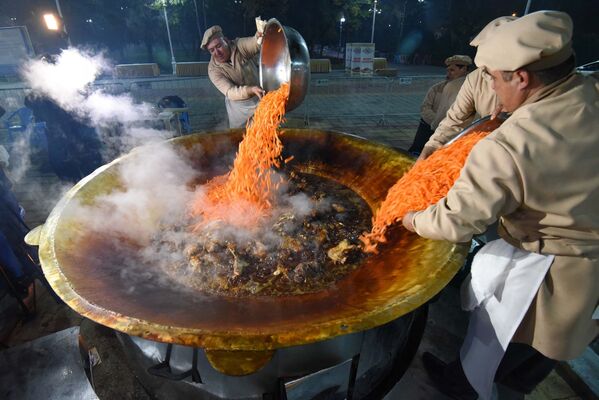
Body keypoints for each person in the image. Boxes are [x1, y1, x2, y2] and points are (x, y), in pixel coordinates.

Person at [401, 11, 599, 399]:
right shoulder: (590, 91)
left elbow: (455, 221)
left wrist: (410, 219)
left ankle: (465, 387)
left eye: (493, 77)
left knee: (503, 348)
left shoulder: (508, 145)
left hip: (550, 277)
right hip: (591, 280)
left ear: (521, 78)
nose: (488, 86)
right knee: (536, 363)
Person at [417, 16, 517, 161]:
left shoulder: (537, 80)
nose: (493, 84)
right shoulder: (475, 79)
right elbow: (454, 120)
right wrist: (432, 147)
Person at [202, 25, 265, 129]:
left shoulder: (239, 46)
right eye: (212, 50)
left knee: (265, 132)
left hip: (259, 98)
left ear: (226, 41)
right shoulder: (213, 70)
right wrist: (250, 89)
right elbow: (230, 92)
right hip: (238, 109)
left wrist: (259, 36)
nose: (217, 53)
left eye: (219, 46)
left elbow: (254, 44)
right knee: (240, 138)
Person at [408, 55, 472, 155]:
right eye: (448, 70)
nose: (448, 74)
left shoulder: (472, 90)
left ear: (464, 69)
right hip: (432, 127)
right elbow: (425, 108)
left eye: (452, 70)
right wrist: (438, 122)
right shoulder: (437, 88)